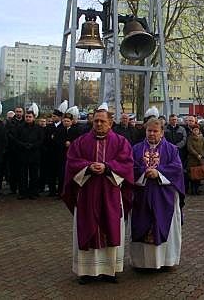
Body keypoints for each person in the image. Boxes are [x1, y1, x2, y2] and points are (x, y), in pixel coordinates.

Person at [61, 107, 134, 284]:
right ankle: (86, 272)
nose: (99, 124)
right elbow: (72, 161)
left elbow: (126, 162)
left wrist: (108, 167)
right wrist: (87, 167)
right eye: (96, 121)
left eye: (103, 121)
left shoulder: (121, 142)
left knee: (111, 226)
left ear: (110, 123)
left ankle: (109, 271)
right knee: (87, 225)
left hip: (111, 193)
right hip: (87, 192)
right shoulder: (80, 142)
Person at [130, 117, 185, 270]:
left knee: (164, 225)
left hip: (164, 195)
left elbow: (177, 169)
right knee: (142, 225)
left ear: (162, 132)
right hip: (142, 195)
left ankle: (167, 261)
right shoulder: (136, 149)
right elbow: (130, 167)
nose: (152, 134)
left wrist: (159, 172)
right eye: (149, 131)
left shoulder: (172, 149)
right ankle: (141, 263)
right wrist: (144, 172)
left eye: (155, 131)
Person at [186, 125, 204, 195]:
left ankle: (197, 189)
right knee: (192, 175)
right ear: (192, 130)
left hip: (200, 159)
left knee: (199, 174)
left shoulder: (202, 138)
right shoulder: (190, 138)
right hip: (192, 159)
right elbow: (189, 147)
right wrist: (196, 154)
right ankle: (193, 190)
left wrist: (201, 154)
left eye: (197, 130)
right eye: (194, 130)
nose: (196, 131)